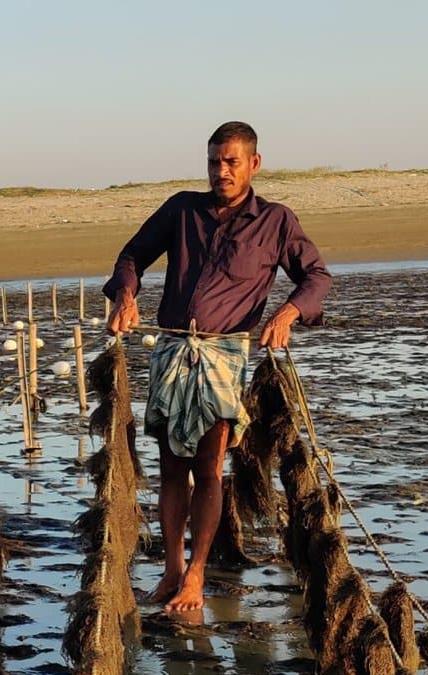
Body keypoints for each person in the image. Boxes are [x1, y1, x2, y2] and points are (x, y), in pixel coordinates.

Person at [103, 121, 332, 613]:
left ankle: (197, 575)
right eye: (213, 162)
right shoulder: (182, 209)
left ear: (254, 163)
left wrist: (289, 313)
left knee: (208, 470)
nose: (221, 171)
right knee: (170, 471)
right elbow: (133, 255)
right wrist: (125, 296)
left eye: (231, 162)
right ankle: (170, 571)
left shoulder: (276, 221)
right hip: (171, 353)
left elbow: (316, 276)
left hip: (225, 357)